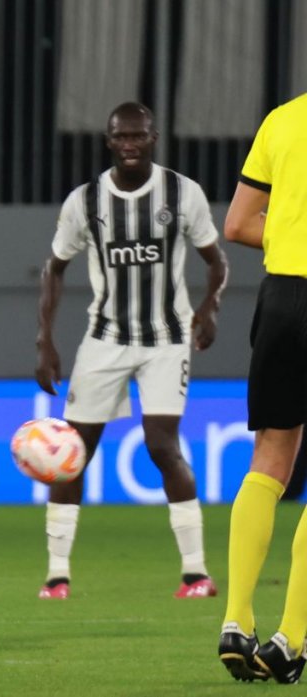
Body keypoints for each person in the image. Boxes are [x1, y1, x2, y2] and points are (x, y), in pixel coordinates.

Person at [35, 102, 228, 601]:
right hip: (105, 339)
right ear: (108, 140)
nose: (129, 144)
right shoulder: (86, 201)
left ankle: (196, 573)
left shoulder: (182, 193)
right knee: (73, 453)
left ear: (153, 138)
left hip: (166, 339)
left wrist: (209, 308)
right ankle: (57, 576)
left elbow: (216, 261)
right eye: (121, 136)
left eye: (138, 136)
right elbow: (54, 267)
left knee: (163, 446)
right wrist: (45, 338)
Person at [218, 92, 307, 684]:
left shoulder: (284, 119)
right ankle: (290, 640)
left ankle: (236, 620)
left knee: (269, 460)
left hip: (282, 300)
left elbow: (237, 224)